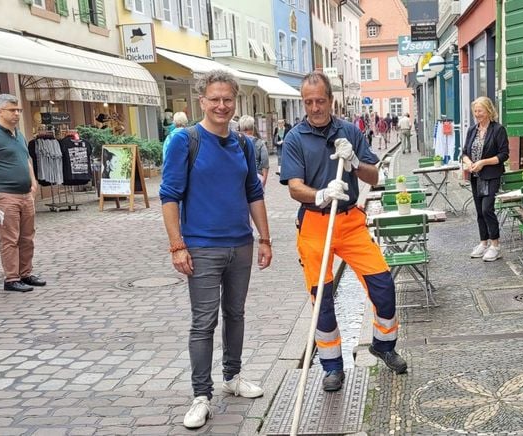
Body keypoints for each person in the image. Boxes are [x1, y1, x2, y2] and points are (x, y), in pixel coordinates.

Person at [280, 71, 407, 393]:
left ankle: (383, 344)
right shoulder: (295, 138)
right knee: (322, 301)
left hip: (350, 222)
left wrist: (352, 163)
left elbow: (375, 177)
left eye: (319, 101)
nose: (314, 108)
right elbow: (295, 187)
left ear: (331, 100)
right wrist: (320, 194)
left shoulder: (350, 132)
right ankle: (332, 367)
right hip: (314, 225)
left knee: (383, 286)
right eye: (308, 102)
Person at [160, 69, 272, 430]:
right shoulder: (185, 140)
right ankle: (200, 395)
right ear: (202, 101)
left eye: (227, 99)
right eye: (215, 99)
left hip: (240, 245)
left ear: (234, 101)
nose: (222, 105)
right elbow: (169, 197)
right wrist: (177, 246)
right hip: (202, 247)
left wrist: (265, 239)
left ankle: (233, 377)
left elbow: (254, 193)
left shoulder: (243, 144)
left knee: (236, 314)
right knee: (203, 323)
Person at [0, 94, 46, 292]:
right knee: (10, 238)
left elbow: (26, 160)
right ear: (0, 111)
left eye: (18, 110)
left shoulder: (19, 134)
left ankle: (26, 273)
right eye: (12, 110)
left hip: (25, 194)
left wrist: (33, 182)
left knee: (27, 237)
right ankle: (11, 278)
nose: (16, 113)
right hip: (4, 195)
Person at [461, 96, 509, 262]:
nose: (477, 114)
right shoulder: (472, 130)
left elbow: (503, 155)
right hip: (476, 176)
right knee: (480, 211)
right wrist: (468, 162)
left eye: (480, 111)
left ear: (489, 111)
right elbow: (464, 152)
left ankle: (495, 245)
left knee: (488, 209)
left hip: (492, 175)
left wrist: (483, 162)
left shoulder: (498, 130)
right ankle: (483, 242)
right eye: (475, 111)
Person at [239, 115, 269, 187]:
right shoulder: (260, 143)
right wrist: (264, 180)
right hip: (257, 177)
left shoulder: (236, 142)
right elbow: (265, 163)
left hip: (242, 178)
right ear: (253, 128)